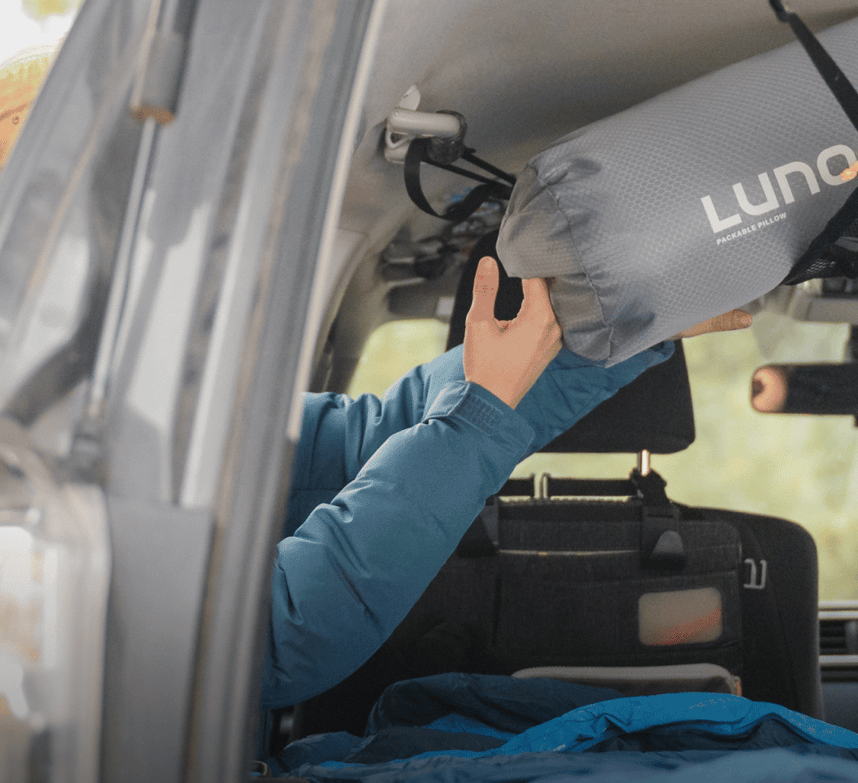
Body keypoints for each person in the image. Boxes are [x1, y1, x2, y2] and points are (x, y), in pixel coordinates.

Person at [263, 256, 749, 709]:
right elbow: (280, 637)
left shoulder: (228, 428)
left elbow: (364, 445)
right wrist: (477, 413)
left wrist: (600, 337)